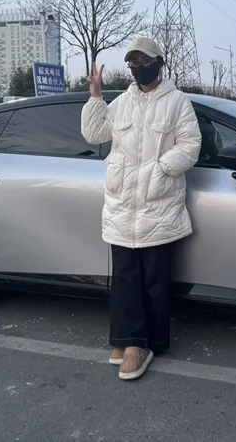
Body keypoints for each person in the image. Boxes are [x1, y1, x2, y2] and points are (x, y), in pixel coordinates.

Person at [81, 37, 201, 381]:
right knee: (124, 277)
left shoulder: (177, 102)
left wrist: (161, 169)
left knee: (153, 279)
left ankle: (147, 343)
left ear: (159, 63)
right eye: (133, 62)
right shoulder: (122, 103)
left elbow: (190, 145)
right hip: (122, 204)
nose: (139, 67)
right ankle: (128, 340)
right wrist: (95, 97)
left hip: (158, 205)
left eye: (145, 61)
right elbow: (94, 134)